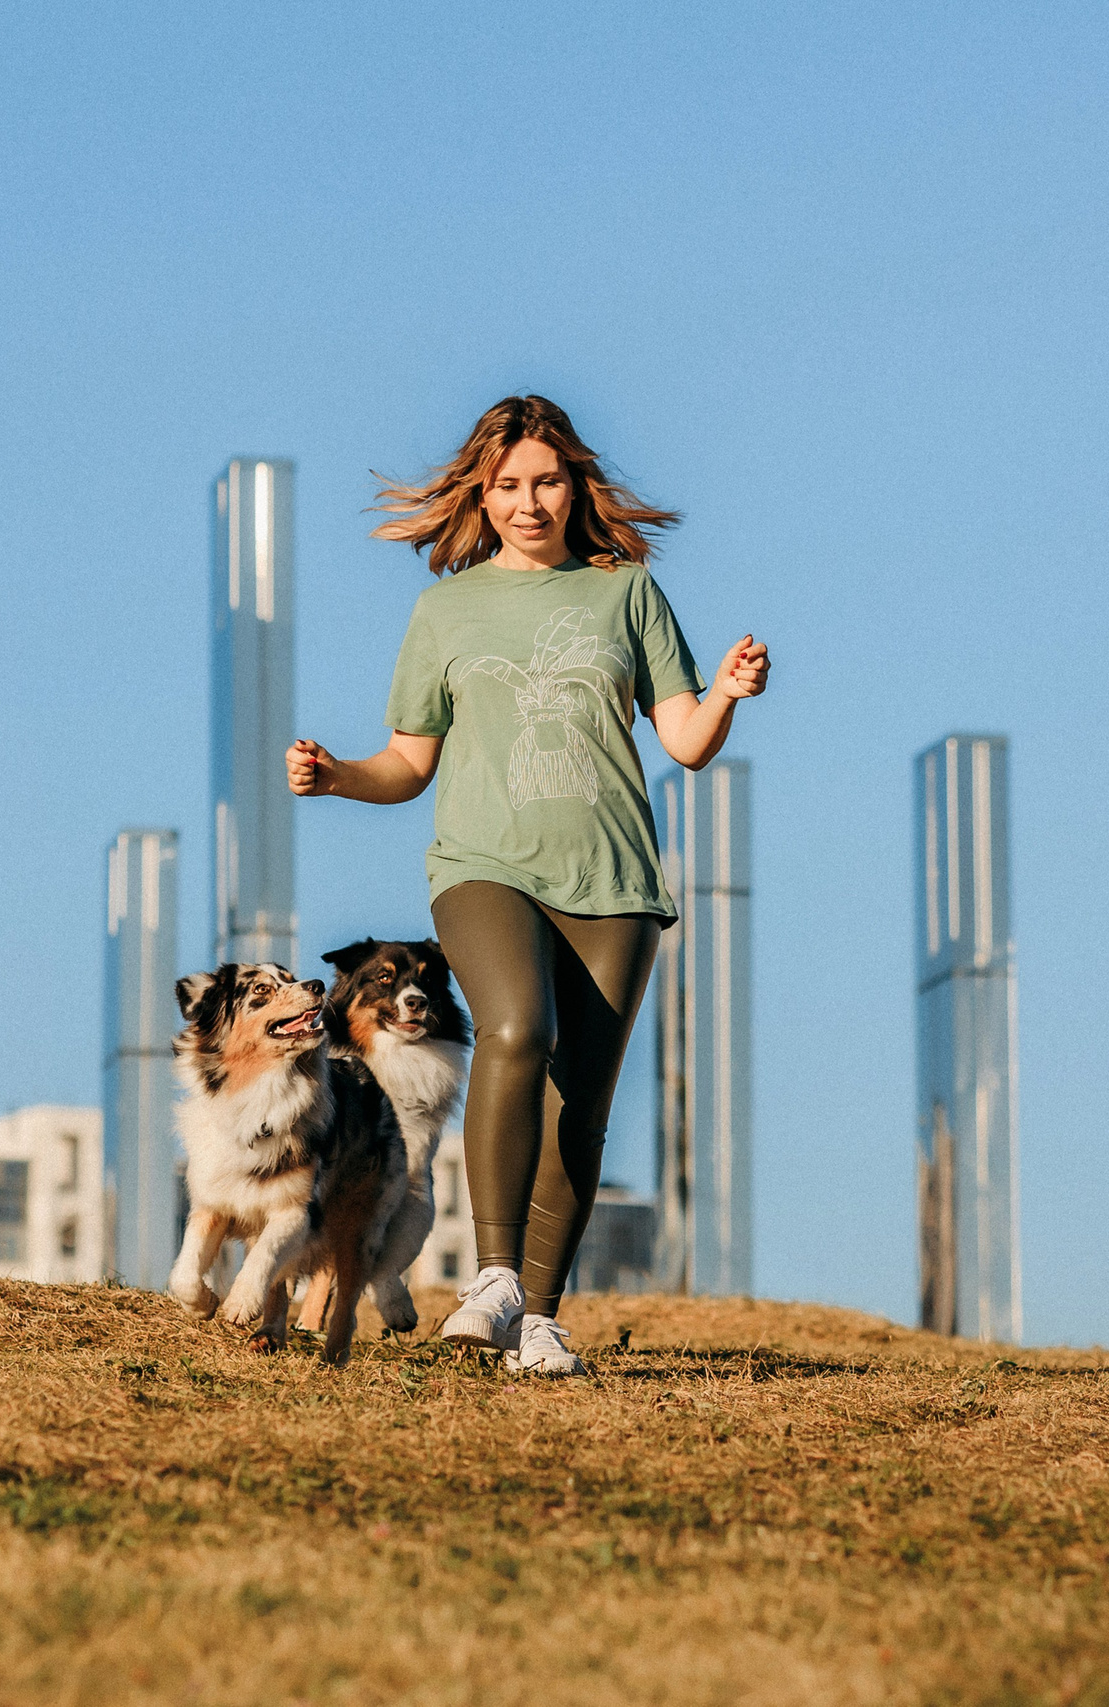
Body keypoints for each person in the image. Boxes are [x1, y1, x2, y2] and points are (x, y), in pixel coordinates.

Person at [287, 395, 769, 1376]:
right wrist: (340, 775)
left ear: (573, 485)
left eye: (545, 481)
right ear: (483, 492)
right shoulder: (446, 611)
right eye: (508, 485)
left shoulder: (624, 593)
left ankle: (539, 1320)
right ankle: (492, 1277)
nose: (528, 501)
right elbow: (409, 762)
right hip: (483, 865)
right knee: (515, 1029)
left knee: (580, 1105)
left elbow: (682, 741)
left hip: (614, 880)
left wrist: (723, 692)